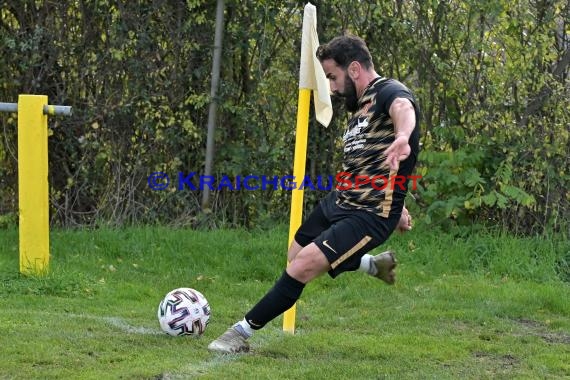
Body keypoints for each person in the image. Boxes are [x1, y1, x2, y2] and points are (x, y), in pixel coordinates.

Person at [208, 34, 420, 353]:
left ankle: (238, 334)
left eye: (333, 77)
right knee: (295, 254)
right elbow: (373, 162)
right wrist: (400, 200)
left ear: (354, 69)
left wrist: (404, 136)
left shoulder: (388, 91)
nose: (332, 88)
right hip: (340, 199)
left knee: (303, 265)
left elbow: (404, 108)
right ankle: (372, 266)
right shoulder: (360, 108)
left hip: (370, 215)